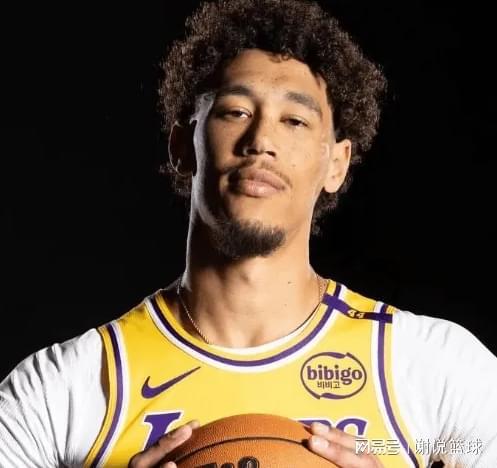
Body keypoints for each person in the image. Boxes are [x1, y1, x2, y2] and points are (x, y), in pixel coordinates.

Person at [1, 0, 496, 467]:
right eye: (235, 112)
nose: (261, 141)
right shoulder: (63, 390)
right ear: (183, 145)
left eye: (295, 120)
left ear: (337, 164)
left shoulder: (435, 369)